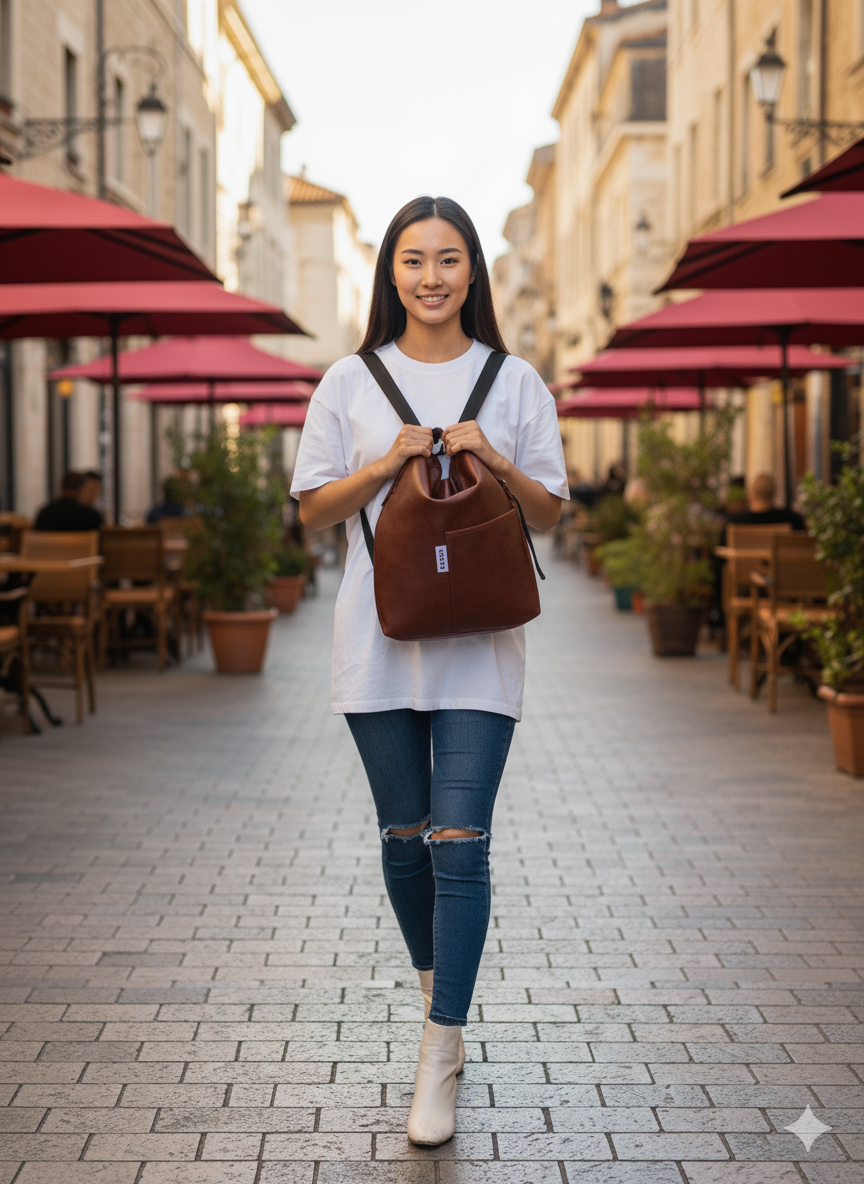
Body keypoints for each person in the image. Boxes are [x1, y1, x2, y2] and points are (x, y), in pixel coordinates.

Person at [290, 196, 568, 1147]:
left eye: (450, 259)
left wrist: (491, 453)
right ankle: (437, 996)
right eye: (414, 260)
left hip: (483, 651)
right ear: (391, 273)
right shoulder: (349, 380)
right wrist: (382, 463)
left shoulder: (515, 379)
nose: (433, 277)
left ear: (474, 272)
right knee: (404, 840)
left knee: (461, 843)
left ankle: (439, 1049)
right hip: (378, 643)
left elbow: (553, 513)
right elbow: (313, 514)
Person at [724, 472, 805, 535]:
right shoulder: (792, 520)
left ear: (751, 495)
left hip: (744, 557)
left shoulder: (735, 523)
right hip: (780, 557)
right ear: (773, 493)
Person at [34, 470, 103, 531]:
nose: (94, 495)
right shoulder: (92, 517)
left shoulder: (44, 514)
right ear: (81, 489)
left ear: (61, 487)